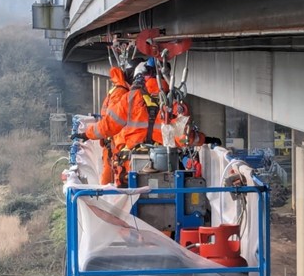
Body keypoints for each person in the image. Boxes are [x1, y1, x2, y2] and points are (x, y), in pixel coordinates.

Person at [74, 59, 221, 185]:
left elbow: (108, 125)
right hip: (165, 165)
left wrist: (87, 134)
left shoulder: (130, 98)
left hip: (130, 168)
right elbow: (185, 138)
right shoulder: (174, 103)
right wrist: (204, 139)